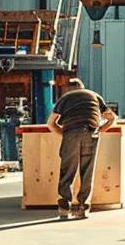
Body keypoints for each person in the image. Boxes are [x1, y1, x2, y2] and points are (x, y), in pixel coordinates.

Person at [47, 78, 117, 220]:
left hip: (71, 133)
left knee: (67, 170)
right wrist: (100, 130)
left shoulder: (65, 98)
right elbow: (112, 118)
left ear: (68, 89)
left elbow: (50, 123)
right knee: (87, 171)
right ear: (83, 87)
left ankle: (64, 207)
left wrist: (65, 134)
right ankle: (83, 208)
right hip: (91, 133)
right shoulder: (94, 96)